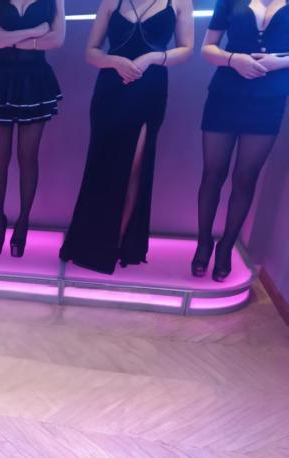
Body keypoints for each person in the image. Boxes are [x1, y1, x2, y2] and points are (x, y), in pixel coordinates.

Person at [59, 0, 193, 274]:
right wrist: (114, 61)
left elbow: (186, 49)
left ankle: (116, 243)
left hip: (150, 88)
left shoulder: (180, 2)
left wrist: (152, 58)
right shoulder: (111, 2)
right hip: (111, 88)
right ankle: (86, 243)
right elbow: (91, 52)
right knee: (100, 166)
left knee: (134, 168)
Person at [191, 0, 289, 282]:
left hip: (270, 97)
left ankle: (226, 247)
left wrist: (279, 62)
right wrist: (234, 59)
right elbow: (207, 47)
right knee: (212, 174)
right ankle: (203, 242)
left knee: (246, 178)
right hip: (226, 92)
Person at [0, 0, 65, 257]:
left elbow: (57, 39)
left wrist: (6, 38)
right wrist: (34, 33)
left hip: (36, 80)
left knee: (28, 156)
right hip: (1, 79)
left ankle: (23, 221)